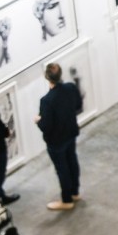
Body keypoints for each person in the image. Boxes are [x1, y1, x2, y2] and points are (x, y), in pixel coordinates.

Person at [37, 63, 82, 212]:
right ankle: (75, 192)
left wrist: (38, 120)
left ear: (46, 77)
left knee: (62, 169)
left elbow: (46, 126)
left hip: (56, 140)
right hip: (70, 132)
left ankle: (67, 199)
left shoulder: (47, 100)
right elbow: (78, 105)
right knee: (72, 161)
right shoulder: (70, 88)